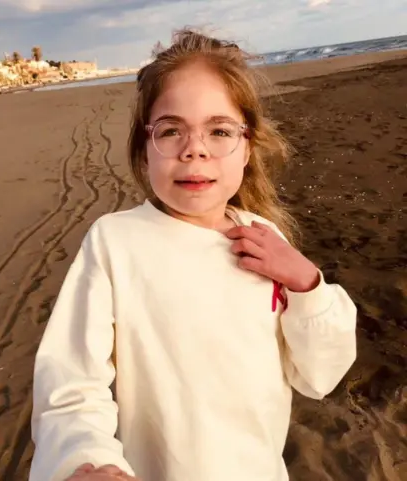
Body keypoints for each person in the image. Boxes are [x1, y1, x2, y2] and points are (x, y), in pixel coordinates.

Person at [29, 29, 357, 481]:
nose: (195, 149)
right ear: (145, 150)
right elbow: (70, 381)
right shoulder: (115, 242)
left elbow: (318, 376)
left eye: (219, 131)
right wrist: (87, 460)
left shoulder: (263, 238)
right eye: (171, 131)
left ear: (247, 147)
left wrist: (307, 285)